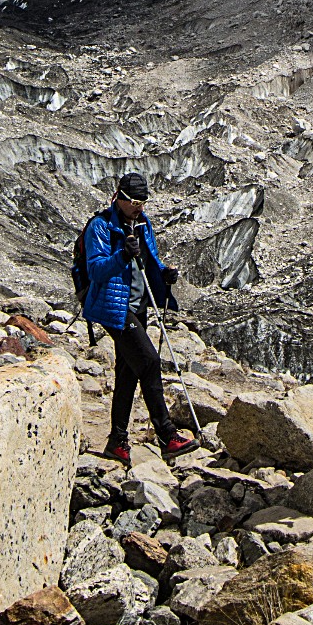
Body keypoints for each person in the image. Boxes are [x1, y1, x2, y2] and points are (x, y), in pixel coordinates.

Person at [81, 173, 198, 466]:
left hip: (138, 304)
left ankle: (117, 442)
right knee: (149, 361)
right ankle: (166, 434)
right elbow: (95, 271)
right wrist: (122, 255)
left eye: (142, 201)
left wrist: (163, 274)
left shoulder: (143, 225)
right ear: (117, 197)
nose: (138, 207)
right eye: (133, 201)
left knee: (128, 371)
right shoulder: (100, 227)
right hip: (114, 308)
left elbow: (150, 260)